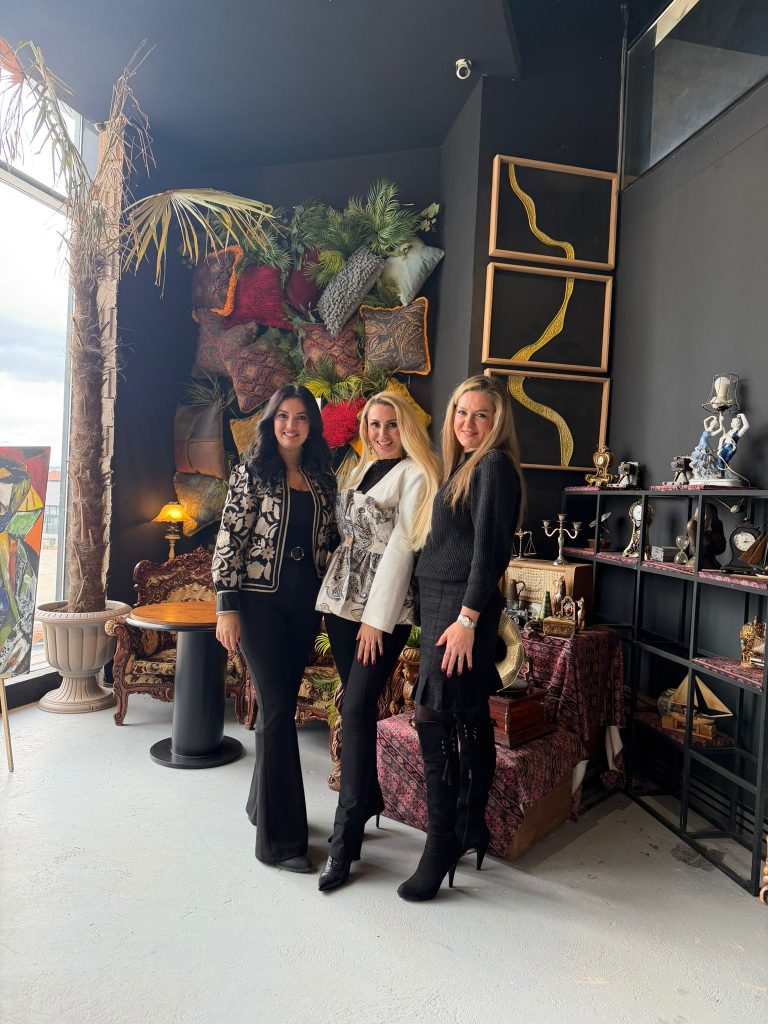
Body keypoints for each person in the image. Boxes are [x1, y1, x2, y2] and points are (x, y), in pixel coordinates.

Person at [397, 375, 525, 902]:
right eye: (461, 412)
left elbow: (490, 553)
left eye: (481, 415)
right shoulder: (462, 467)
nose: (467, 423)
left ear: (497, 423)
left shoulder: (493, 466)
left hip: (460, 608)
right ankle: (472, 823)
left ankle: (442, 842)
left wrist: (468, 620)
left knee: (432, 715)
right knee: (468, 713)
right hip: (443, 603)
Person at [315, 390, 440, 892]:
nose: (382, 434)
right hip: (340, 601)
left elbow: (402, 551)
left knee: (356, 709)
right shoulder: (361, 467)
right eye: (374, 424)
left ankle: (345, 841)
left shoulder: (416, 474)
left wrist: (376, 620)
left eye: (391, 425)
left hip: (380, 611)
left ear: (406, 428)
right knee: (356, 705)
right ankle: (367, 799)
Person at [213, 384, 337, 873]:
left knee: (276, 707)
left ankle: (259, 804)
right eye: (283, 416)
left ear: (312, 425)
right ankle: (281, 842)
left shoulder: (322, 478)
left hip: (304, 607)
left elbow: (331, 541)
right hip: (257, 604)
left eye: (301, 417)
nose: (291, 425)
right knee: (280, 710)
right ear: (271, 421)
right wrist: (226, 606)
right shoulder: (252, 471)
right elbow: (230, 537)